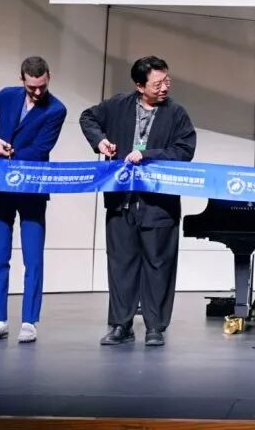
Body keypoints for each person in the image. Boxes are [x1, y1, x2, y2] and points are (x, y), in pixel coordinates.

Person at [79, 56, 196, 348]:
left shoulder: (176, 113)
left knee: (159, 264)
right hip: (121, 200)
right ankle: (121, 325)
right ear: (139, 86)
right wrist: (100, 141)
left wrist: (148, 154)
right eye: (157, 84)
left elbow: (185, 150)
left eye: (167, 81)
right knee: (121, 264)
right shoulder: (118, 105)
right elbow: (87, 117)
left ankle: (155, 326)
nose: (164, 87)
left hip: (159, 204)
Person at [0, 56, 67, 343]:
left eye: (42, 86)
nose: (37, 92)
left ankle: (29, 321)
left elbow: (41, 149)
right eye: (32, 87)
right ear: (22, 80)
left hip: (31, 189)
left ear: (48, 77)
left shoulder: (56, 109)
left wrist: (8, 152)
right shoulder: (8, 96)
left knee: (33, 259)